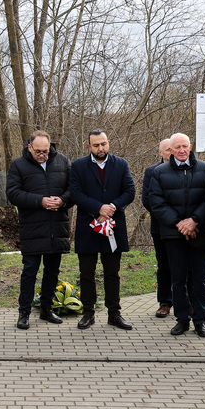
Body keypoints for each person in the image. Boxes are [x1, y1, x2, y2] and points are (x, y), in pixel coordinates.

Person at [147, 132, 205, 338]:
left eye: (185, 146)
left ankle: (200, 321)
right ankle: (182, 320)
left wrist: (194, 221)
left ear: (191, 146)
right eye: (177, 147)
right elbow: (156, 202)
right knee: (177, 279)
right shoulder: (159, 172)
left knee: (199, 278)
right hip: (173, 234)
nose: (182, 150)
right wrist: (180, 224)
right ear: (171, 150)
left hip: (200, 232)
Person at [69, 129, 136, 331]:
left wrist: (112, 207)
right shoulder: (78, 166)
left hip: (113, 227)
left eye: (104, 144)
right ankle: (88, 313)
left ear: (108, 143)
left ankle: (114, 314)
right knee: (86, 272)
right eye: (96, 145)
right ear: (89, 146)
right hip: (88, 227)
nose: (101, 148)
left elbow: (130, 191)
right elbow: (76, 194)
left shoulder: (121, 164)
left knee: (112, 273)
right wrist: (98, 208)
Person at [6, 130, 71, 330]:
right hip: (32, 227)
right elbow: (13, 193)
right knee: (30, 272)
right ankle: (24, 312)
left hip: (57, 226)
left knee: (52, 271)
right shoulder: (18, 165)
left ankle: (46, 308)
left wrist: (62, 200)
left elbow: (74, 189)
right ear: (29, 147)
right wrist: (40, 201)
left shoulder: (62, 161)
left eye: (45, 151)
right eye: (38, 151)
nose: (42, 154)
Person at [142, 138, 174, 318]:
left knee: (184, 265)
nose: (171, 152)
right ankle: (165, 302)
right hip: (160, 227)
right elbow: (148, 200)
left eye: (173, 149)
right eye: (167, 150)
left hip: (183, 227)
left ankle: (185, 301)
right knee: (164, 266)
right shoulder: (151, 171)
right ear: (160, 153)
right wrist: (168, 216)